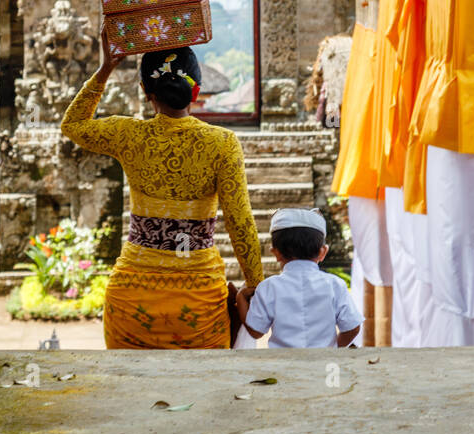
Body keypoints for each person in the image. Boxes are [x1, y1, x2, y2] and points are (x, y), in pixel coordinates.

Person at [61, 26, 263, 349]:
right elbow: (240, 223)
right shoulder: (222, 144)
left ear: (146, 92)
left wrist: (105, 69)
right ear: (195, 92)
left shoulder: (128, 134)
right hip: (197, 309)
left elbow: (72, 124)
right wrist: (256, 286)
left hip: (131, 305)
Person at [236, 209, 361, 349]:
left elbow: (256, 331)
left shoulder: (268, 287)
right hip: (323, 364)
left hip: (283, 364)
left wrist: (240, 298)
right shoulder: (335, 284)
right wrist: (334, 347)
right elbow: (353, 327)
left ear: (276, 253)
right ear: (323, 252)